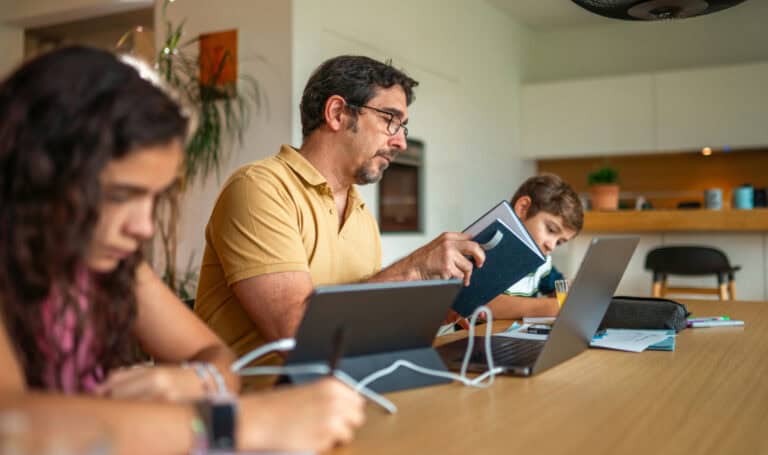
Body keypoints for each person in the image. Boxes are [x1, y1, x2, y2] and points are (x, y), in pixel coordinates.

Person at [0, 46, 363, 453]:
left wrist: (197, 379)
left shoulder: (112, 266)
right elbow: (12, 423)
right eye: (119, 194)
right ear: (37, 174)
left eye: (154, 199)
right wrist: (243, 422)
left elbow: (214, 355)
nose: (143, 227)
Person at [194, 55, 485, 370]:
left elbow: (360, 325)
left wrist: (433, 310)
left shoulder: (361, 215)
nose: (401, 141)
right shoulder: (259, 188)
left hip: (339, 388)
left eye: (403, 126)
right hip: (257, 402)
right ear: (337, 113)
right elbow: (296, 337)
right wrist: (413, 269)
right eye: (390, 118)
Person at [486, 174, 583, 319]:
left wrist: (568, 288)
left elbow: (558, 285)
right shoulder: (486, 250)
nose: (551, 246)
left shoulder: (541, 263)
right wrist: (552, 307)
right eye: (551, 229)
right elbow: (483, 306)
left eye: (559, 242)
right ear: (523, 208)